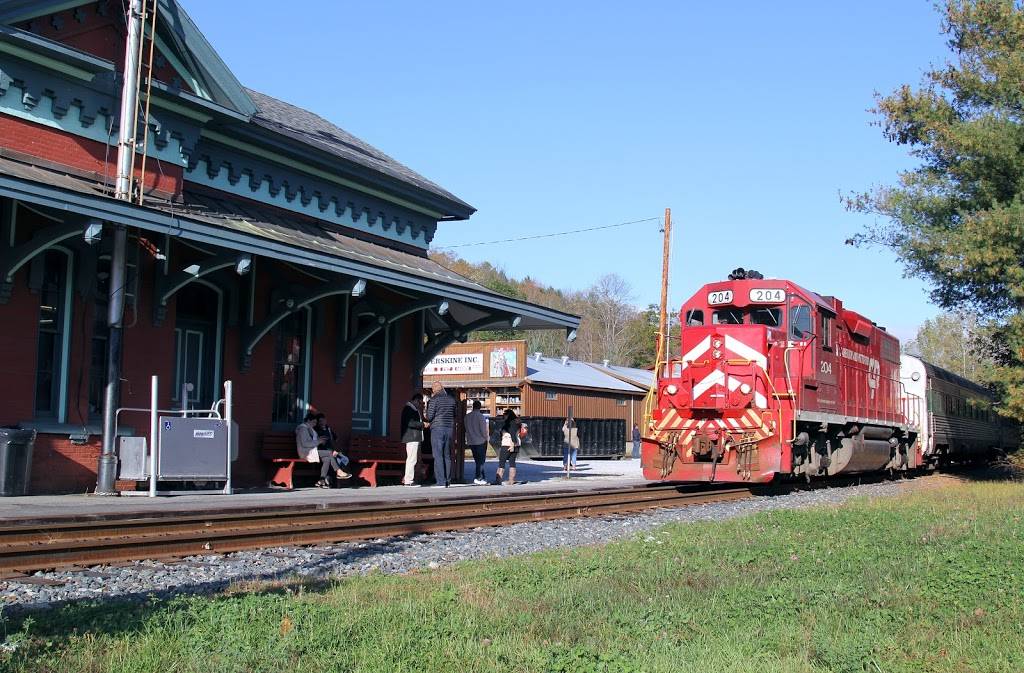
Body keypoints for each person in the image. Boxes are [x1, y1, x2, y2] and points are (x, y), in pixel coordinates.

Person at [296, 412, 350, 488]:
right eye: (313, 422)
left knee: (327, 459)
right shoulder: (303, 429)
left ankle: (321, 480)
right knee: (329, 453)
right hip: (306, 452)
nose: (315, 424)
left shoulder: (309, 428)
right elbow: (305, 444)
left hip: (311, 451)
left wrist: (319, 440)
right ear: (308, 420)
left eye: (315, 422)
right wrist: (319, 441)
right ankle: (338, 471)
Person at [424, 381, 455, 487]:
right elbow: (454, 414)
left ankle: (440, 481)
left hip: (437, 428)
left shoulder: (434, 399)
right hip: (449, 429)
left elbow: (429, 416)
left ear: (434, 389)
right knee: (447, 455)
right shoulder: (452, 400)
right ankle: (448, 480)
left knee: (438, 455)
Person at [315, 413, 352, 483]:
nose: (322, 422)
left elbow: (335, 439)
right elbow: (318, 444)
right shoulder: (317, 430)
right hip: (322, 452)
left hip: (332, 451)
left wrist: (336, 451)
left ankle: (328, 479)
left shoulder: (328, 429)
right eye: (320, 421)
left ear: (325, 420)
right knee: (331, 459)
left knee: (343, 459)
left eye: (323, 420)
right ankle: (331, 478)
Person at [399, 393, 424, 487]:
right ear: (416, 400)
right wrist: (422, 424)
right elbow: (410, 423)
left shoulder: (411, 409)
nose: (420, 405)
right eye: (420, 403)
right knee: (411, 459)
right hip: (411, 436)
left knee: (411, 458)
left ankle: (408, 479)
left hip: (412, 436)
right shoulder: (409, 409)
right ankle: (409, 480)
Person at [493, 408, 521, 486]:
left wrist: (512, 444)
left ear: (508, 415)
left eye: (505, 415)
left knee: (502, 463)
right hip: (516, 445)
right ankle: (511, 481)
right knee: (512, 463)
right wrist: (515, 444)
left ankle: (498, 480)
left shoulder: (510, 423)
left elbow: (512, 434)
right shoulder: (517, 422)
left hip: (508, 444)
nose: (504, 416)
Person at [464, 400, 489, 485]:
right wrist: (486, 438)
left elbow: (465, 429)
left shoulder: (467, 417)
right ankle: (479, 477)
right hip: (480, 441)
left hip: (471, 441)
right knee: (481, 461)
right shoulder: (480, 416)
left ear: (473, 406)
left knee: (477, 461)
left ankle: (481, 477)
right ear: (480, 407)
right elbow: (483, 430)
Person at [562, 410, 580, 477]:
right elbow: (574, 425)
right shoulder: (575, 429)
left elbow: (563, 428)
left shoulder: (565, 429)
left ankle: (565, 467)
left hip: (567, 443)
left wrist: (565, 422)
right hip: (574, 444)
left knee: (566, 455)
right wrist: (572, 420)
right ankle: (574, 467)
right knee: (574, 455)